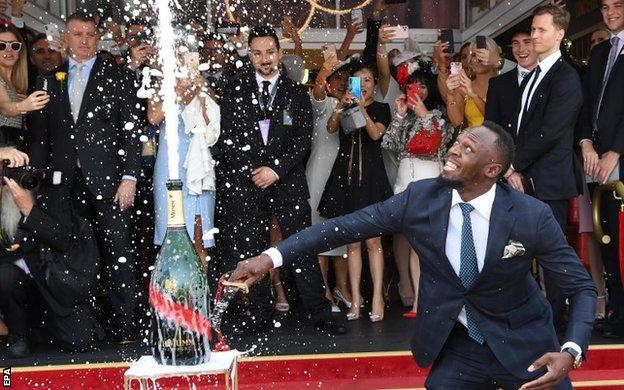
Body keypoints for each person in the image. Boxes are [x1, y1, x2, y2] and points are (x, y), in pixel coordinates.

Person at [230, 122, 596, 389]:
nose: (453, 149)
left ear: (492, 170)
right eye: (457, 142)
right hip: (460, 346)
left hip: (526, 345)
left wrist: (572, 350)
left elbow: (581, 288)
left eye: (468, 149)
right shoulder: (420, 198)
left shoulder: (531, 215)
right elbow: (341, 227)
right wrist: (270, 258)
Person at [214, 26, 345, 335]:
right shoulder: (232, 89)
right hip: (247, 184)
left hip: (287, 182)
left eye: (270, 52)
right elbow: (227, 139)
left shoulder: (295, 91)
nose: (264, 59)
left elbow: (303, 140)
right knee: (251, 249)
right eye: (257, 53)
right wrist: (254, 169)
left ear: (279, 53)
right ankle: (259, 312)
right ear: (249, 55)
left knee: (301, 246)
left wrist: (275, 170)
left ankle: (318, 310)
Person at [28, 11, 143, 342]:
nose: (83, 40)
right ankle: (85, 325)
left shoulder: (118, 77)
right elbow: (41, 137)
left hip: (109, 182)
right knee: (72, 257)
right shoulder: (49, 79)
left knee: (118, 251)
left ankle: (126, 325)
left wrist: (129, 177)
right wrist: (38, 182)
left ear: (98, 37)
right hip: (63, 184)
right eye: (77, 34)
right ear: (66, 37)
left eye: (90, 34)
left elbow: (130, 133)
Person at [506, 5, 584, 334]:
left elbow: (550, 132)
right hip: (524, 178)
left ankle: (555, 328)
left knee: (553, 261)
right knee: (520, 254)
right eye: (533, 30)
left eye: (540, 31)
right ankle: (532, 322)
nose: (534, 36)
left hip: (548, 182)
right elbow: (524, 128)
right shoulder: (536, 75)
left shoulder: (566, 77)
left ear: (560, 34)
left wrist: (513, 164)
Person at [0, 148, 102, 358]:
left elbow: (63, 240)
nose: (14, 181)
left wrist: (29, 209)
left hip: (54, 284)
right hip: (15, 290)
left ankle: (40, 331)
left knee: (80, 341)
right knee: (6, 275)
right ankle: (17, 334)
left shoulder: (49, 193)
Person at [318, 62, 392, 322]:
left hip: (371, 179)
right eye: (357, 82)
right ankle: (356, 299)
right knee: (352, 243)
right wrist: (341, 106)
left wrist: (361, 107)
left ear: (374, 84)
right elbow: (330, 128)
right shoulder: (344, 104)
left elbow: (375, 135)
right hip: (346, 178)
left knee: (373, 242)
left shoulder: (382, 108)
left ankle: (377, 298)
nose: (364, 86)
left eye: (368, 81)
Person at [382, 63, 452, 318]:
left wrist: (424, 113)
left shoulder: (439, 114)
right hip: (405, 176)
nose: (418, 90)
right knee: (413, 242)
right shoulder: (405, 115)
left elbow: (440, 140)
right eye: (413, 85)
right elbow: (389, 143)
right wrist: (400, 115)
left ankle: (437, 299)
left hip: (430, 174)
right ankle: (418, 302)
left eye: (423, 85)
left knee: (432, 242)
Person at [577, 0, 624, 338]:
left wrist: (617, 150)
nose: (611, 12)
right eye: (605, 6)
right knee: (604, 235)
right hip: (596, 161)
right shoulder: (599, 51)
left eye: (618, 5)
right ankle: (618, 312)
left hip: (619, 159)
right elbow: (585, 104)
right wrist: (586, 143)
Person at [148, 42, 220, 267]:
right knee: (172, 241)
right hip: (170, 168)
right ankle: (173, 299)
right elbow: (153, 118)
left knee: (198, 240)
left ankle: (199, 299)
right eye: (176, 57)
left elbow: (215, 118)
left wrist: (200, 88)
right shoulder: (159, 87)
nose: (181, 62)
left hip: (197, 170)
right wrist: (178, 91)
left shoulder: (203, 86)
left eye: (185, 57)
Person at [307, 53, 353, 311]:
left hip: (342, 174)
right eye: (337, 79)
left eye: (346, 79)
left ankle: (342, 288)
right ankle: (324, 291)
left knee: (343, 235)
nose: (341, 83)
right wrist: (323, 72)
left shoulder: (352, 103)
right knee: (320, 235)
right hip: (319, 173)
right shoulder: (321, 104)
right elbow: (317, 92)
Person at [0, 23, 50, 149]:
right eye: (1, 45)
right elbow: (5, 108)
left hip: (13, 150)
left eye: (15, 46)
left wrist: (22, 108)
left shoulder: (14, 82)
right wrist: (22, 106)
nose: (9, 50)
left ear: (20, 51)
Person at [485, 30, 539, 133]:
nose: (521, 49)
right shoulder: (497, 83)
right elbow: (490, 127)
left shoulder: (552, 77)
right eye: (515, 43)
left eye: (527, 42)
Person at [445, 37, 500, 128]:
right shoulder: (464, 87)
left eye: (482, 54)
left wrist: (474, 95)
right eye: (474, 55)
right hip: (473, 140)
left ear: (493, 57)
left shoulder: (504, 84)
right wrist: (450, 95)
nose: (477, 59)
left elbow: (496, 120)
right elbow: (457, 122)